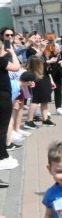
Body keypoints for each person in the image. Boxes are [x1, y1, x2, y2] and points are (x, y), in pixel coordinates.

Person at [0, 27, 23, 177]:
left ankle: (3, 154)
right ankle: (2, 156)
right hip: (2, 95)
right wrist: (12, 53)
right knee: (2, 127)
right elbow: (16, 67)